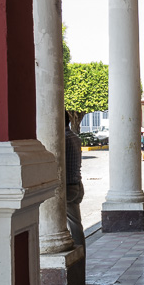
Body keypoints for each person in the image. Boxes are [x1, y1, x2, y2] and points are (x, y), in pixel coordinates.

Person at [65, 111, 85, 262]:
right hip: (77, 184)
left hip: (68, 187)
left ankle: (79, 256)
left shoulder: (62, 139)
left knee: (74, 226)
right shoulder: (74, 137)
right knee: (76, 223)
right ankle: (81, 253)